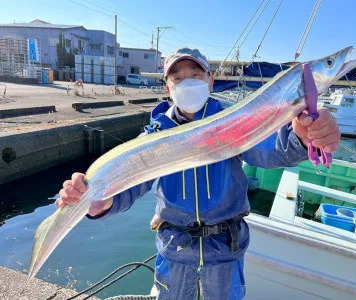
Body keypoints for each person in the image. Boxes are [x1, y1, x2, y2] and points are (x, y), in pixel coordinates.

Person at [56, 47, 340, 300]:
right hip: (175, 251)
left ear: (210, 80)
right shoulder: (154, 136)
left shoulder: (234, 122)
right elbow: (130, 186)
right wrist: (99, 202)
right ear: (168, 88)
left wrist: (303, 138)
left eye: (195, 73)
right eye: (177, 77)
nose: (187, 80)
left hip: (225, 251)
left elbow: (275, 151)